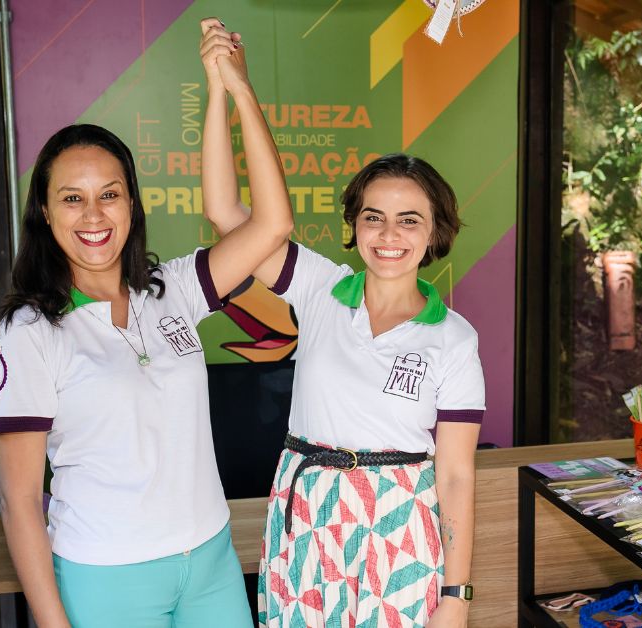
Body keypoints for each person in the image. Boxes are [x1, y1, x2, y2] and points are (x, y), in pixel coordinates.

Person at [0, 19, 289, 627]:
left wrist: (234, 88)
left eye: (111, 194)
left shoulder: (170, 290)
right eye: (72, 197)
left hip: (209, 564)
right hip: (107, 578)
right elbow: (19, 501)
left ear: (132, 203)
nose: (93, 215)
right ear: (44, 212)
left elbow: (270, 226)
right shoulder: (28, 330)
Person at [199, 28, 485, 624]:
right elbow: (228, 214)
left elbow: (456, 475)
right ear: (352, 227)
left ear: (435, 234)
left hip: (402, 527)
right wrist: (228, 89)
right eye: (373, 218)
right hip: (306, 514)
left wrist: (457, 597)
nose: (389, 235)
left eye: (409, 220)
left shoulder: (454, 338)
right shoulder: (321, 288)